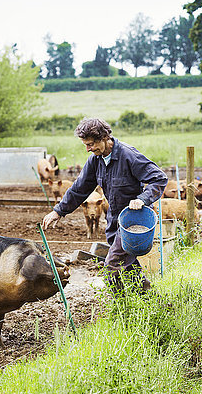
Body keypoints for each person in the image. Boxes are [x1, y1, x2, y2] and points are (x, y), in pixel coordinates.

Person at [42, 117, 168, 293]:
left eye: (91, 144)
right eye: (85, 145)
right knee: (128, 265)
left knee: (112, 266)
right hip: (114, 222)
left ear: (104, 138)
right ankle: (148, 300)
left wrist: (143, 199)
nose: (88, 149)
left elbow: (159, 179)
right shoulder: (96, 160)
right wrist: (58, 211)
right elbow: (79, 188)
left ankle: (121, 308)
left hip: (133, 221)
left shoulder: (128, 155)